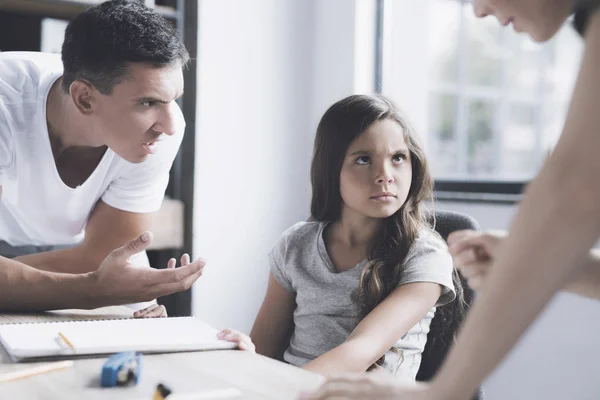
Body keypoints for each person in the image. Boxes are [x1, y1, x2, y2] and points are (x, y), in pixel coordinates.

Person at [301, 0, 600, 398]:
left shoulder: (425, 253)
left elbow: (573, 188)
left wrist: (443, 392)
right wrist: (567, 268)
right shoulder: (297, 245)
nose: (476, 11)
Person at [219, 94, 463, 381]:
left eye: (398, 158)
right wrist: (242, 356)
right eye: (363, 159)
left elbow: (361, 350)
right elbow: (262, 353)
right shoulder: (295, 246)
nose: (385, 175)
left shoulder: (426, 256)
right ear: (331, 168)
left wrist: (283, 390)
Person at [0, 0, 205, 314]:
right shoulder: (6, 104)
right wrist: (90, 288)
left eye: (172, 100)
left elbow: (101, 256)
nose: (170, 125)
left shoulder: (161, 130)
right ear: (84, 98)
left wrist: (18, 281)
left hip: (80, 255)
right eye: (148, 103)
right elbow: (95, 279)